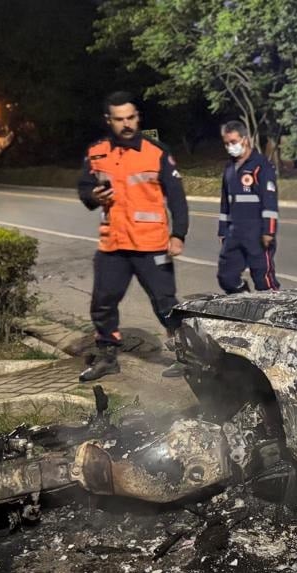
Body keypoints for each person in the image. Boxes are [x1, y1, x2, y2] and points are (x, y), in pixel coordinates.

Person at [77, 91, 189, 382]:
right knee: (102, 302)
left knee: (166, 304)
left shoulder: (156, 151)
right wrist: (93, 194)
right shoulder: (97, 152)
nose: (126, 124)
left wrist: (178, 234)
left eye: (131, 117)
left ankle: (187, 358)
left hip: (151, 244)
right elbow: (84, 189)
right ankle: (107, 356)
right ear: (109, 120)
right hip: (113, 245)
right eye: (119, 119)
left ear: (137, 117)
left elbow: (177, 197)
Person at [216, 120, 280, 293]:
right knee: (226, 276)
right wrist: (223, 231)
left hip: (257, 233)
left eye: (233, 142)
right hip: (234, 233)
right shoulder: (229, 168)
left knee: (263, 279)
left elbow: (270, 201)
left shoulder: (261, 166)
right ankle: (243, 299)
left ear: (245, 139)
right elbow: (225, 203)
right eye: (226, 143)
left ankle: (278, 311)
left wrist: (269, 231)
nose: (230, 147)